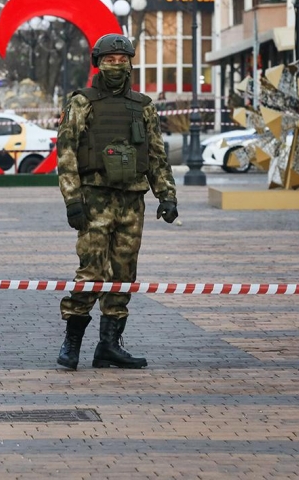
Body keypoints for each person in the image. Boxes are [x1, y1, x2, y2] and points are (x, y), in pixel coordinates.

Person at [55, 34, 179, 371]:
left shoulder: (143, 106)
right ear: (98, 62)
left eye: (122, 59)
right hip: (94, 199)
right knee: (91, 271)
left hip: (131, 201)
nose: (116, 65)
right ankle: (72, 341)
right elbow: (65, 154)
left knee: (124, 273)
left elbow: (156, 154)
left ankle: (109, 345)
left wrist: (166, 195)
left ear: (130, 63)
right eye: (110, 60)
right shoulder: (82, 102)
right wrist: (72, 200)